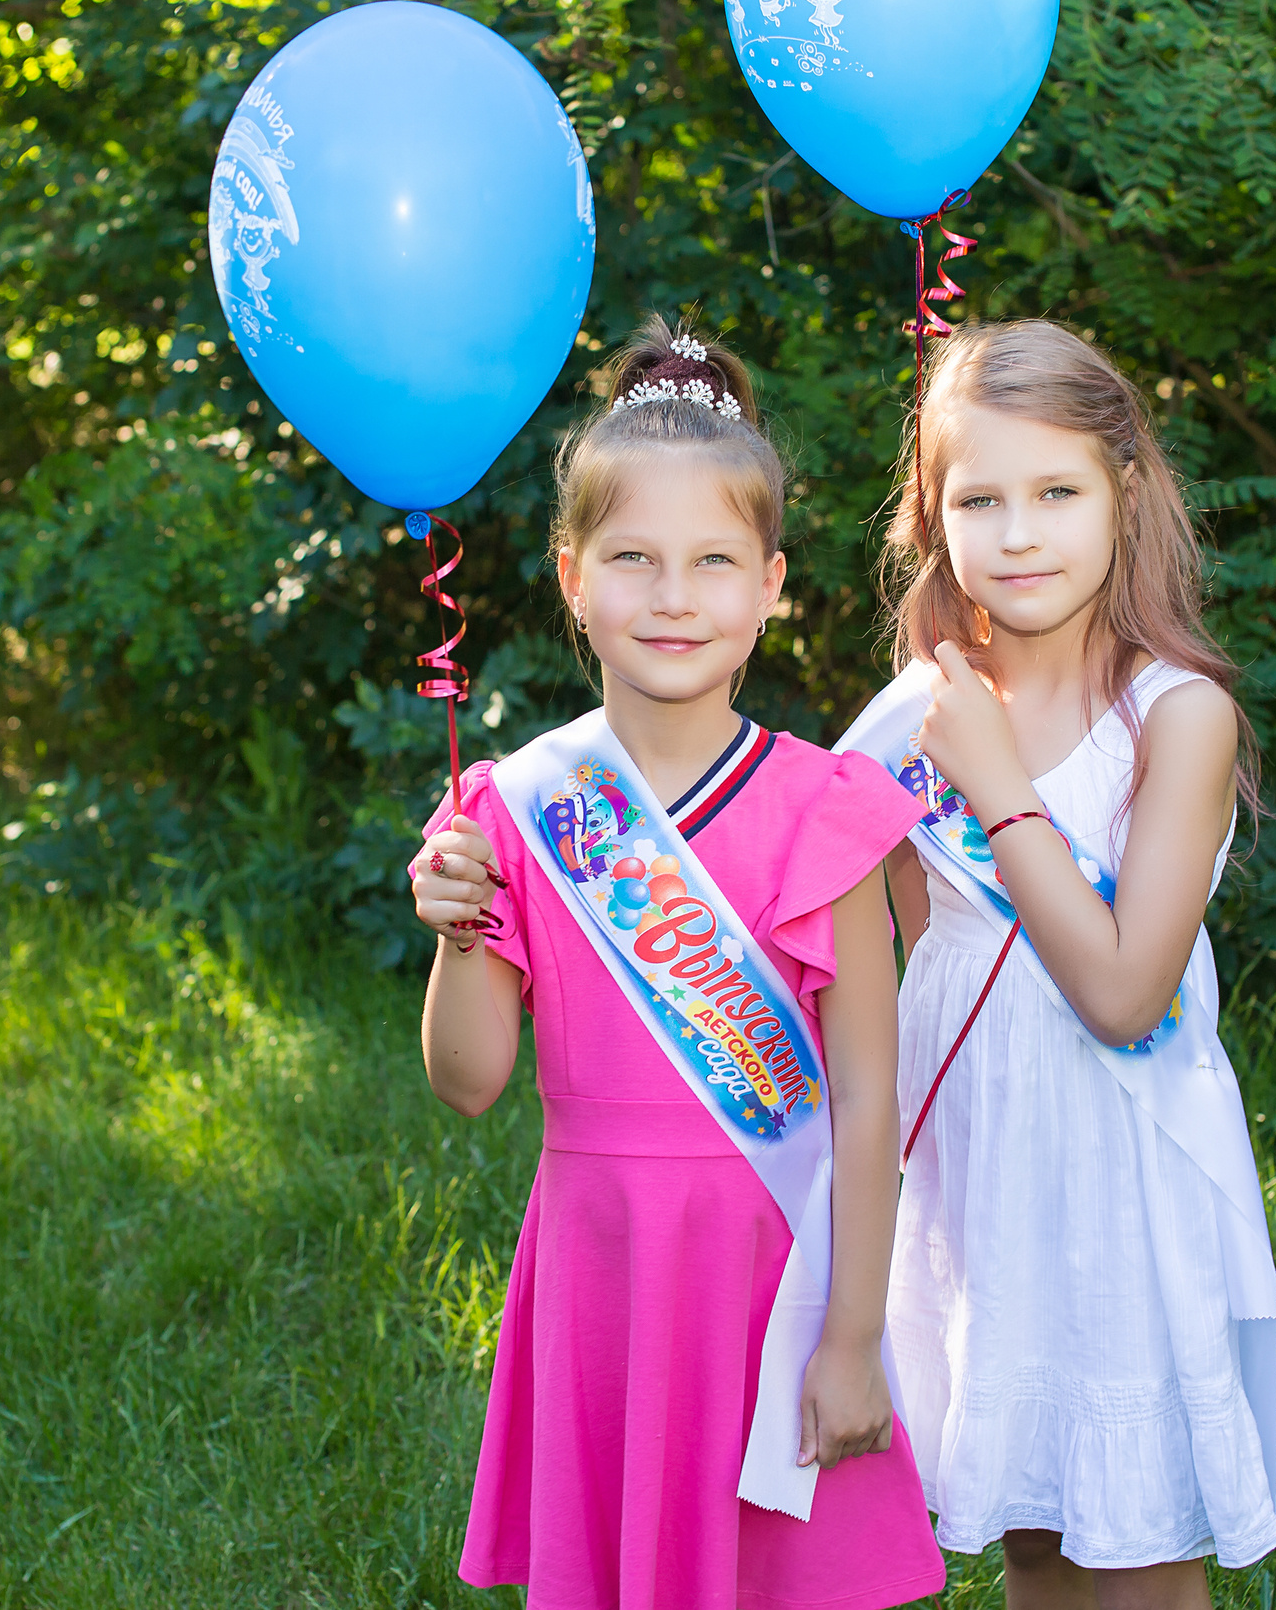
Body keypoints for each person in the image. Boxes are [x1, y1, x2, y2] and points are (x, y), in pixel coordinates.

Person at [409, 316, 947, 1610]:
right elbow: (469, 1081)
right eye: (634, 559)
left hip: (776, 1274)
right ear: (572, 575)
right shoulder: (527, 805)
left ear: (771, 583)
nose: (672, 595)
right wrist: (461, 928)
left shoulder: (826, 810)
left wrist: (857, 1338)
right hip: (601, 1271)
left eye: (713, 562)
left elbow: (869, 1099)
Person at [837, 319, 1276, 1609]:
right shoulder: (916, 711)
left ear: (1124, 493)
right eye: (980, 498)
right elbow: (908, 950)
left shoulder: (1178, 716)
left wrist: (996, 785)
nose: (1020, 532)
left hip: (1118, 1174)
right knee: (1033, 1528)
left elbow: (1121, 991)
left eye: (1056, 492)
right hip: (982, 1166)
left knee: (1135, 1540)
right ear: (935, 517)